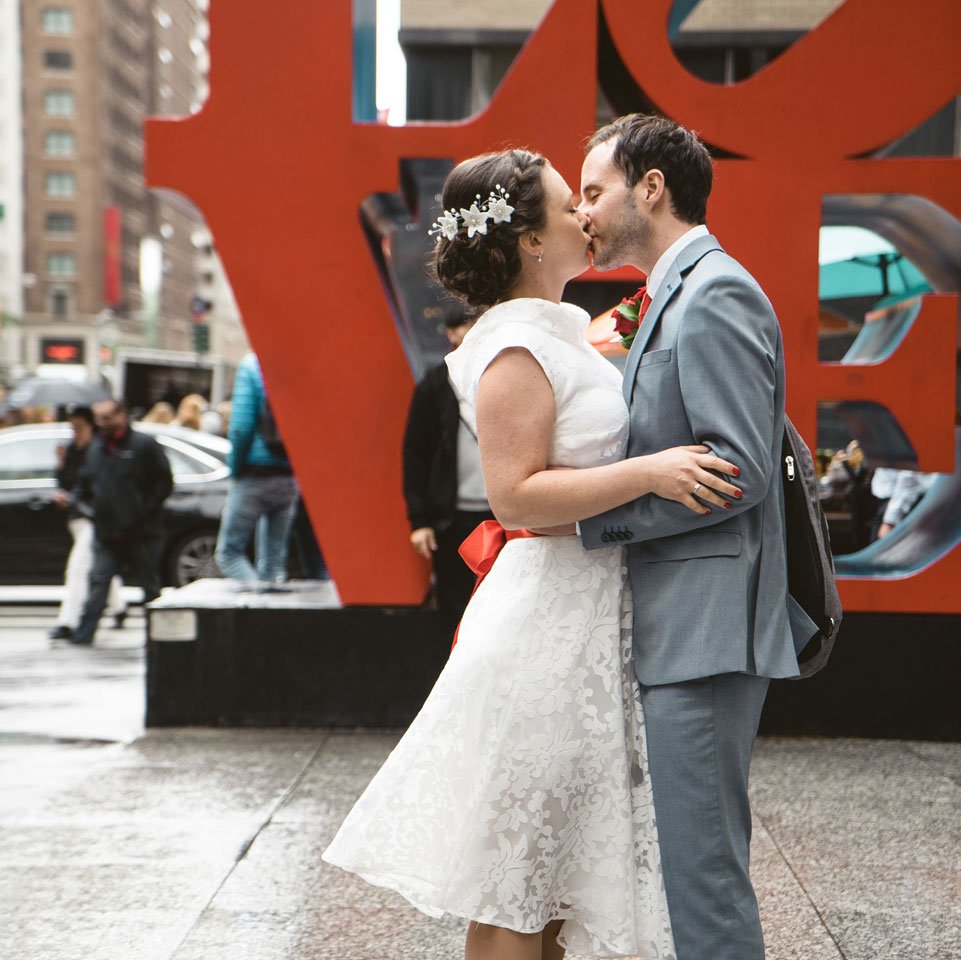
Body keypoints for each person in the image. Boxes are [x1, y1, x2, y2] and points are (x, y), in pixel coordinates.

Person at [324, 148, 742, 960]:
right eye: (565, 204)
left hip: (582, 619)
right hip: (544, 633)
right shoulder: (514, 346)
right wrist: (651, 471)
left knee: (550, 886)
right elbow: (513, 495)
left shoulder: (552, 331)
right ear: (525, 240)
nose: (584, 216)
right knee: (518, 887)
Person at [576, 113, 801, 960]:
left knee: (702, 878)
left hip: (706, 632)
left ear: (651, 187)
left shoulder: (716, 290)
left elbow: (735, 466)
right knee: (689, 868)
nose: (584, 211)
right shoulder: (672, 289)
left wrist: (591, 520)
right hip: (681, 622)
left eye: (593, 190)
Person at [402, 308, 494, 625]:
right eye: (464, 326)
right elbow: (415, 453)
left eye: (477, 324)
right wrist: (419, 520)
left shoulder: (501, 374)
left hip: (501, 513)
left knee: (499, 602)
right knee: (455, 606)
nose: (471, 332)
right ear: (451, 334)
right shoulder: (435, 384)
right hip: (450, 517)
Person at [68, 399, 173, 646]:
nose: (102, 424)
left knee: (149, 586)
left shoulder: (143, 445)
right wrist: (89, 510)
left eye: (107, 418)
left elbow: (164, 482)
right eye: (98, 418)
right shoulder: (96, 448)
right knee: (98, 581)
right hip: (106, 532)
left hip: (141, 531)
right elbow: (83, 486)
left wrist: (144, 513)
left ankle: (160, 637)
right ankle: (84, 634)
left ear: (121, 415)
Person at [214, 353, 298, 583]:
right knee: (274, 562)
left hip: (255, 473)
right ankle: (273, 608)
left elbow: (241, 427)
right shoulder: (297, 364)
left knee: (229, 554)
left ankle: (259, 604)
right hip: (289, 477)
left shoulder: (253, 365)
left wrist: (236, 468)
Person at [48, 405, 127, 641]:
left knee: (78, 567)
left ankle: (68, 621)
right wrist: (61, 465)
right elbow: (70, 484)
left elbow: (101, 485)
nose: (75, 431)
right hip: (76, 518)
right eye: (72, 426)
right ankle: (120, 605)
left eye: (79, 426)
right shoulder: (72, 449)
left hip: (94, 518)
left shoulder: (99, 449)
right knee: (101, 567)